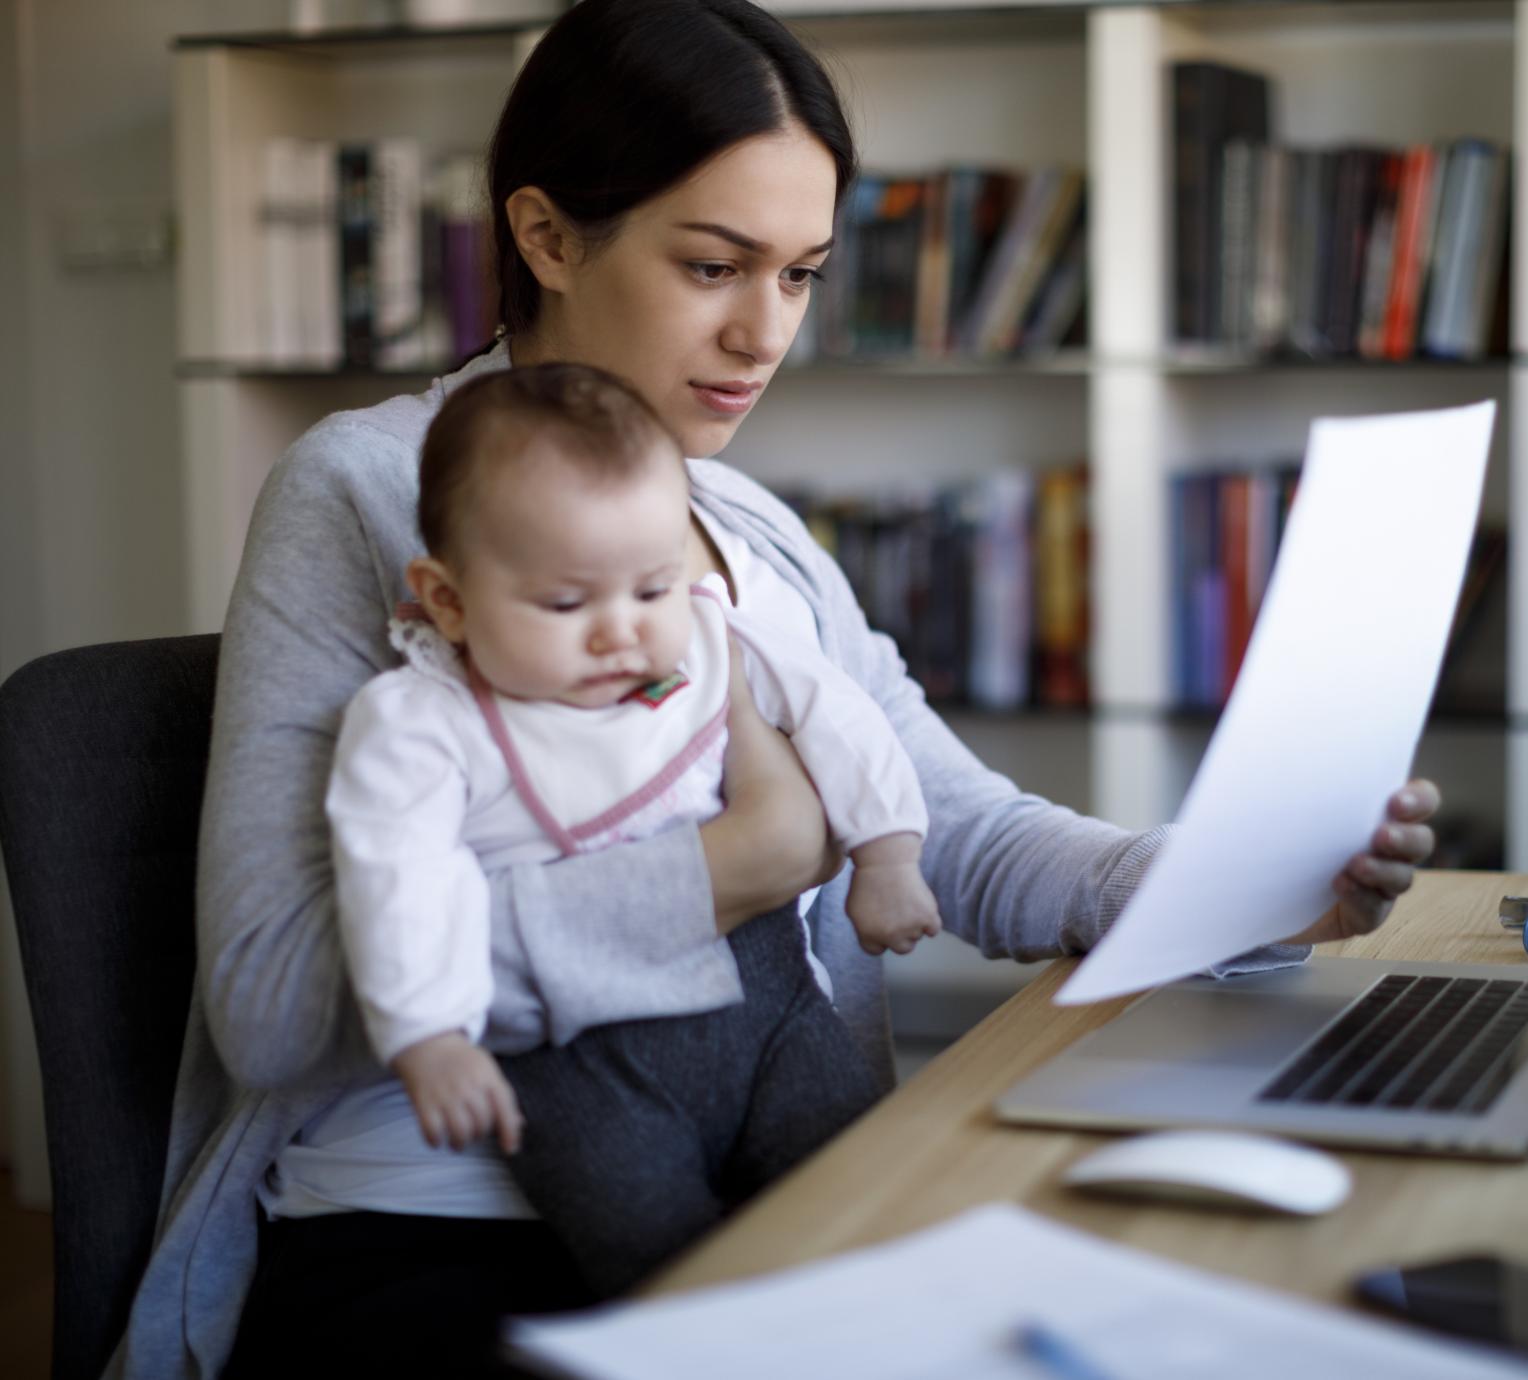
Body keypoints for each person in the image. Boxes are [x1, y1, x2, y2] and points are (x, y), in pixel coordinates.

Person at [116, 2, 1441, 1376]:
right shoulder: (371, 492)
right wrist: (728, 871)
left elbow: (962, 830)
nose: (765, 333)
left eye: (801, 275)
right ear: (547, 235)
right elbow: (268, 1000)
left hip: (777, 1181)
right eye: (713, 265)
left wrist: (1250, 883)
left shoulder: (753, 532)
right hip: (445, 1227)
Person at [330, 361, 940, 1297]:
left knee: (860, 1210)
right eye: (568, 604)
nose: (622, 633)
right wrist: (429, 1033)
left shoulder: (706, 632)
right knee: (661, 1267)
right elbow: (395, 875)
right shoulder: (421, 722)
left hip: (771, 1014)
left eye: (650, 588)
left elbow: (839, 711)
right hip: (576, 1063)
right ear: (447, 599)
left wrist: (886, 850)